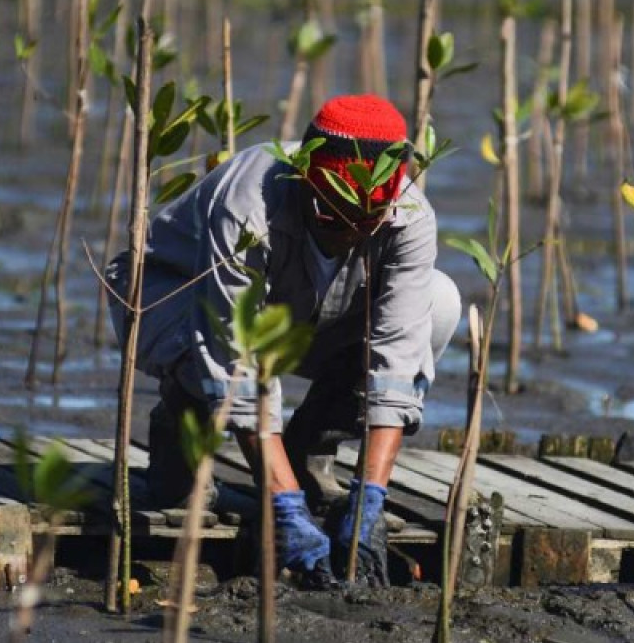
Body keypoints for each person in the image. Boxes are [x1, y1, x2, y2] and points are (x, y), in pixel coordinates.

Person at [106, 94, 460, 586]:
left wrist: (370, 502)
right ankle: (181, 429)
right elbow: (234, 360)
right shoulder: (248, 200)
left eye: (365, 224)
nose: (347, 235)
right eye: (334, 217)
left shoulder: (409, 214)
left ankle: (309, 448)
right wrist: (286, 510)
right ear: (304, 179)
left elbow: (396, 360)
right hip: (171, 298)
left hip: (308, 315)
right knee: (207, 363)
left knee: (440, 303)